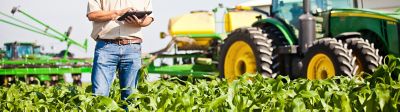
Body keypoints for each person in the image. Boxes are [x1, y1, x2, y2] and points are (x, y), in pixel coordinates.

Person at [86, 0, 154, 101]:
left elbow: (150, 18)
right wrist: (117, 13)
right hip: (106, 47)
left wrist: (140, 22)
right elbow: (92, 15)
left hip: (132, 47)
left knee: (131, 97)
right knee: (100, 96)